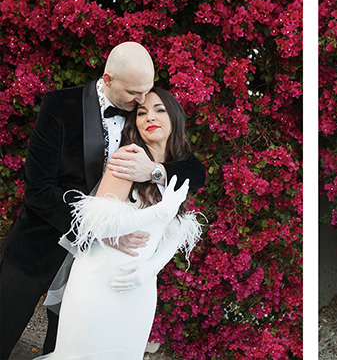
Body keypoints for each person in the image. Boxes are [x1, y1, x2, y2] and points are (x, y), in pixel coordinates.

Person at [0, 43, 206, 359]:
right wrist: (103, 228)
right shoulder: (60, 105)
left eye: (147, 92)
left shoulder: (143, 119)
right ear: (108, 79)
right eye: (134, 93)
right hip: (43, 241)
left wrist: (155, 170)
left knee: (67, 347)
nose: (142, 101)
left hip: (97, 267)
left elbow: (194, 170)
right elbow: (39, 191)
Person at [38, 87, 202, 359]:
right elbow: (98, 224)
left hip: (139, 288)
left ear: (175, 117)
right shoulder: (128, 157)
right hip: (99, 278)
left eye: (159, 109)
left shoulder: (179, 167)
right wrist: (158, 212)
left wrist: (150, 269)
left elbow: (177, 229)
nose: (150, 117)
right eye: (141, 112)